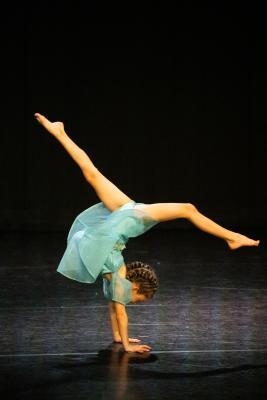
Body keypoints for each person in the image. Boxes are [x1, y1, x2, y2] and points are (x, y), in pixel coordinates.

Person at [34, 113, 260, 353]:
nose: (136, 302)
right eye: (140, 299)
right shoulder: (116, 286)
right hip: (127, 218)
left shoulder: (117, 285)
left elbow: (117, 311)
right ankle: (232, 237)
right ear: (136, 288)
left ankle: (59, 132)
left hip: (127, 218)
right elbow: (118, 313)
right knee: (186, 208)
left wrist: (123, 340)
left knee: (95, 174)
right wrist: (124, 342)